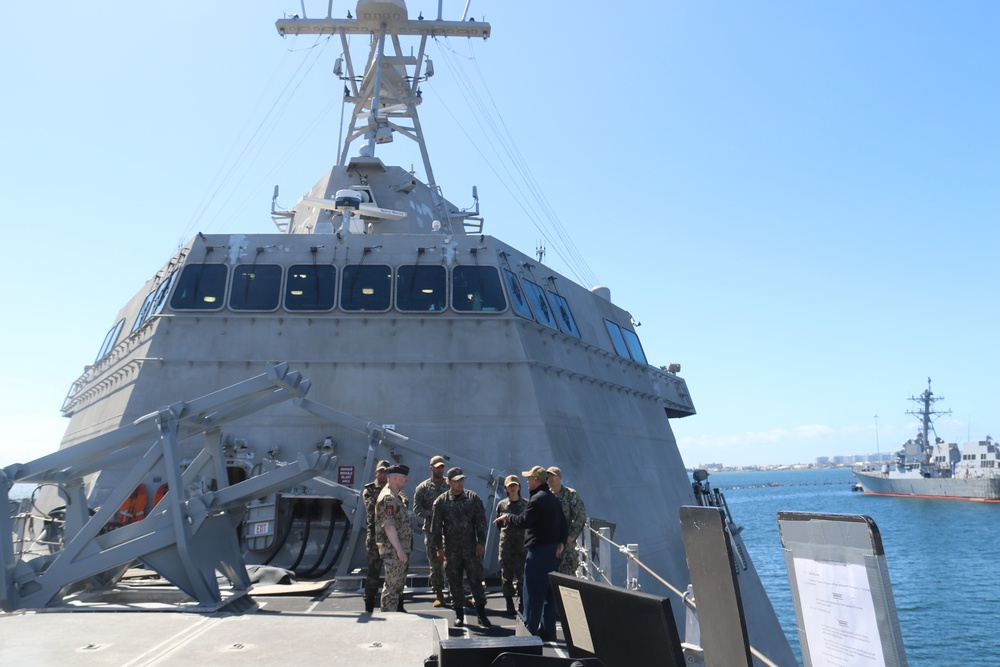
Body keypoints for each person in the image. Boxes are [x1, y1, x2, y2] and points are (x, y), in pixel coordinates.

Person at [494, 465, 567, 641]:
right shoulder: (552, 499)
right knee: (549, 594)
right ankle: (549, 631)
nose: (526, 481)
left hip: (539, 553)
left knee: (533, 593)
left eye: (529, 478)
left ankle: (530, 633)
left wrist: (507, 517)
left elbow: (524, 520)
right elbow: (564, 524)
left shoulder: (537, 500)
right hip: (553, 554)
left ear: (536, 480)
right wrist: (561, 543)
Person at [431, 467, 492, 628]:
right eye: (456, 480)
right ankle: (458, 615)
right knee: (454, 583)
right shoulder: (441, 501)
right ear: (449, 482)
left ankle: (481, 614)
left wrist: (481, 543)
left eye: (462, 480)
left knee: (476, 582)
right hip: (451, 550)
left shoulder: (473, 499)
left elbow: (481, 523)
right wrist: (439, 548)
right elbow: (435, 527)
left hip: (471, 549)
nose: (460, 483)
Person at [374, 464, 412, 612]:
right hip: (394, 551)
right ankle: (389, 620)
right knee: (392, 589)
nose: (407, 479)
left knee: (397, 587)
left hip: (398, 550)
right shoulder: (388, 498)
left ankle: (395, 616)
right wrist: (400, 550)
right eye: (404, 477)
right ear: (395, 478)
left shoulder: (396, 495)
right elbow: (389, 526)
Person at [413, 455, 449, 606]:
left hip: (450, 530)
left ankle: (457, 592)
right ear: (431, 468)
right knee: (435, 563)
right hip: (432, 531)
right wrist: (430, 513)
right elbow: (416, 509)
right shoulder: (422, 488)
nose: (440, 469)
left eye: (442, 467)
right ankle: (439, 594)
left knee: (454, 562)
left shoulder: (450, 485)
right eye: (437, 467)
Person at [362, 459, 392, 613]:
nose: (383, 474)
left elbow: (402, 506)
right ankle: (369, 604)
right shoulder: (369, 489)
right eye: (381, 471)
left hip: (391, 538)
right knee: (373, 573)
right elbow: (371, 509)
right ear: (376, 473)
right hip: (375, 538)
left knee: (393, 573)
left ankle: (394, 604)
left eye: (386, 471)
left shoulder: (395, 489)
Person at [547, 466, 587, 577]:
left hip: (566, 545)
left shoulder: (570, 494)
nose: (550, 479)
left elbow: (581, 516)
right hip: (550, 543)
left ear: (560, 477)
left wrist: (572, 536)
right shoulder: (546, 496)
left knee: (567, 577)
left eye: (553, 476)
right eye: (548, 477)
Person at [496, 474, 527, 614]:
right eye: (510, 486)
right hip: (507, 545)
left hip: (522, 545)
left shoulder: (526, 504)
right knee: (507, 575)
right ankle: (509, 600)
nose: (513, 488)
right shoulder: (502, 505)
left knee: (522, 575)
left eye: (515, 485)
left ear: (519, 487)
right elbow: (499, 525)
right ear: (506, 489)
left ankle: (521, 601)